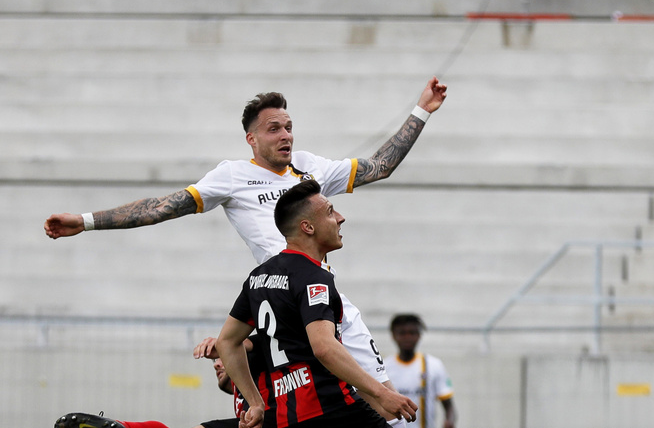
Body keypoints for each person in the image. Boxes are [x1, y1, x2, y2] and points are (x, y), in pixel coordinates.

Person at [43, 77, 447, 419]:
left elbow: (381, 166)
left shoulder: (311, 167)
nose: (286, 135)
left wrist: (422, 110)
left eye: (289, 126)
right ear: (251, 139)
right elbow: (163, 208)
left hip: (327, 301)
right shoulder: (233, 176)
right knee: (268, 396)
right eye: (274, 128)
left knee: (391, 410)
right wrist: (86, 221)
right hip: (284, 304)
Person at [216, 180, 416, 428]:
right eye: (330, 212)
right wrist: (382, 394)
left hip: (286, 416)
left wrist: (256, 403)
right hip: (331, 406)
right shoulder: (313, 277)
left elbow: (226, 341)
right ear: (308, 227)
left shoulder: (258, 277)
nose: (341, 218)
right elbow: (323, 347)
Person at [54, 336, 262, 428]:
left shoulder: (255, 363)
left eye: (220, 359)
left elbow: (247, 342)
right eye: (215, 360)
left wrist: (223, 342)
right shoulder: (241, 392)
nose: (216, 364)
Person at [385, 314, 456, 428]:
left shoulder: (433, 365)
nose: (407, 337)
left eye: (412, 333)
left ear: (419, 335)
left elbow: (449, 406)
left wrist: (449, 421)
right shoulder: (384, 367)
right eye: (402, 333)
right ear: (393, 335)